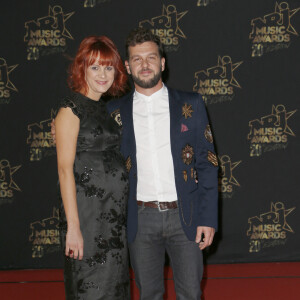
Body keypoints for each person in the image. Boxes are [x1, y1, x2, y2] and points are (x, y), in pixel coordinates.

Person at [106, 28, 219, 300]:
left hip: (186, 216)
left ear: (162, 63)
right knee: (149, 294)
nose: (145, 65)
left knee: (191, 293)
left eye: (151, 58)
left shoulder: (190, 104)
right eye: (137, 59)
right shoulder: (113, 112)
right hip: (140, 219)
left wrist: (208, 218)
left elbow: (208, 163)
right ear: (127, 66)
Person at [55, 36, 130, 300]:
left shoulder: (105, 110)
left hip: (113, 221)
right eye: (95, 67)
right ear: (82, 69)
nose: (103, 74)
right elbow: (64, 171)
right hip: (87, 221)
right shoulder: (70, 110)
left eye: (109, 67)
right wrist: (73, 227)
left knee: (114, 290)